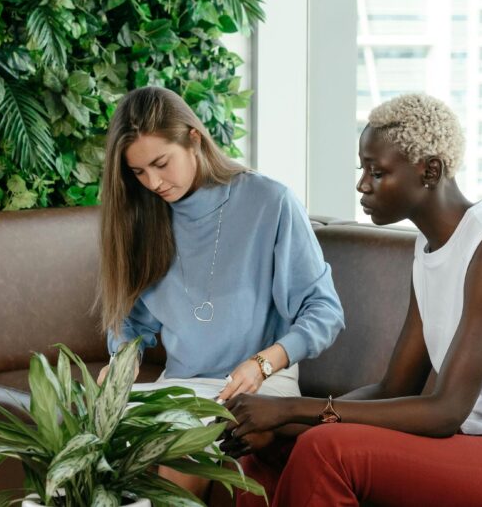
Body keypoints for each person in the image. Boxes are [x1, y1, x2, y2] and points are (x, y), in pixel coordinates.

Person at [221, 93, 482, 507]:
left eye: (377, 172)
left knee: (325, 450)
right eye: (362, 169)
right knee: (265, 452)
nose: (362, 184)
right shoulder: (429, 248)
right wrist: (282, 424)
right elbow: (395, 387)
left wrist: (292, 409)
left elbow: (445, 410)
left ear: (429, 170)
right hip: (477, 440)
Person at [97, 86, 345, 496]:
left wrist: (263, 364)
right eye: (138, 173)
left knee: (177, 447)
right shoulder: (144, 216)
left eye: (161, 163)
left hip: (260, 387)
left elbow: (324, 310)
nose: (153, 182)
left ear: (193, 138)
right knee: (81, 437)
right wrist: (120, 361)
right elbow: (133, 324)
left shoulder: (269, 200)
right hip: (181, 389)